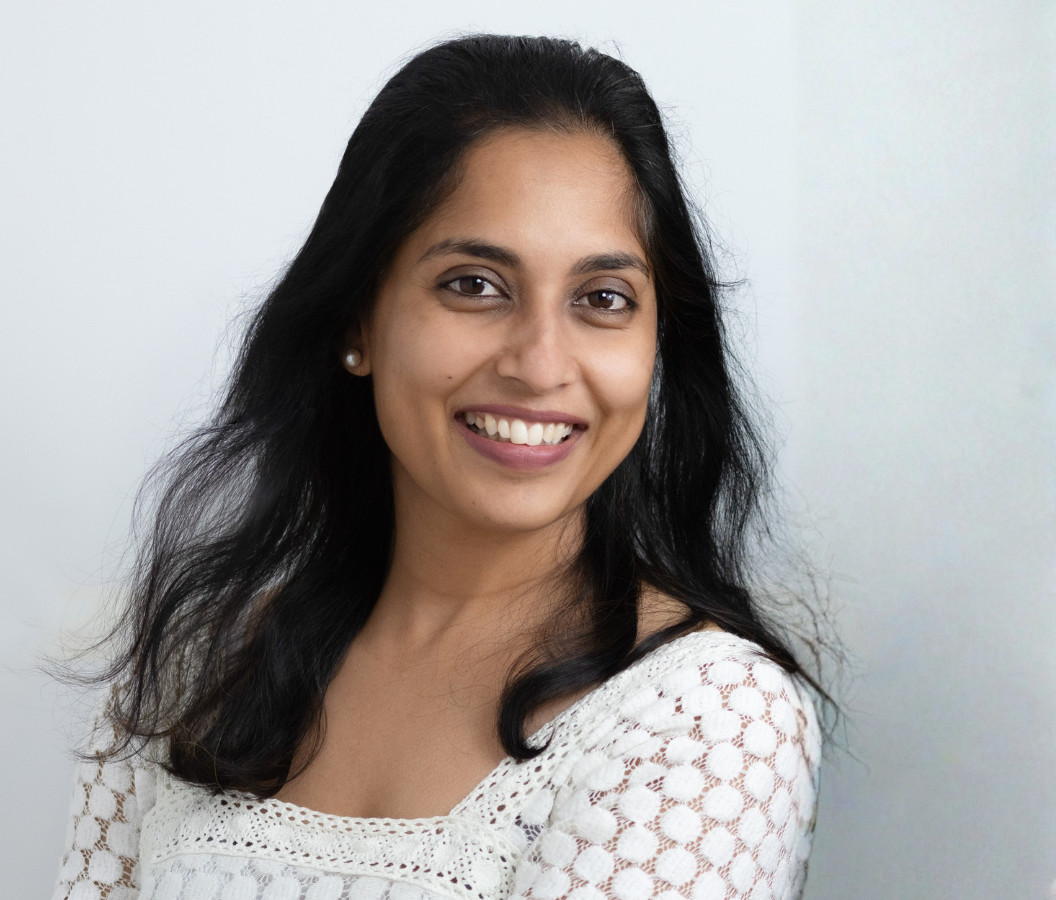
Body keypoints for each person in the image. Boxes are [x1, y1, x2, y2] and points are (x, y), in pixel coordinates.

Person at [52, 34, 824, 900]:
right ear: (357, 321)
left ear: (655, 349)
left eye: (602, 299)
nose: (540, 364)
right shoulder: (191, 671)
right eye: (474, 284)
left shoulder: (707, 718)